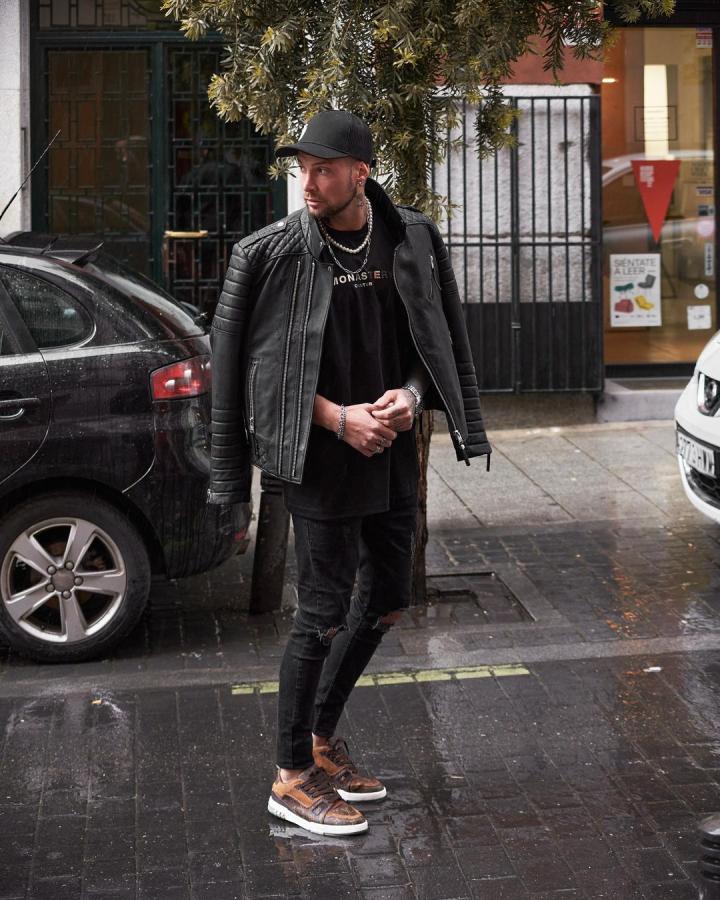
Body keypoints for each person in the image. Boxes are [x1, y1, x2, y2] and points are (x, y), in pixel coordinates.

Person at [208, 110, 491, 836]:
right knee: (320, 615)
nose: (307, 182)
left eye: (323, 169)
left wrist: (413, 397)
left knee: (388, 599)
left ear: (361, 172)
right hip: (318, 459)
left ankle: (319, 739)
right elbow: (253, 376)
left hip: (390, 449)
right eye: (301, 168)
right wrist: (339, 419)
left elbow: (436, 339)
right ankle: (289, 777)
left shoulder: (411, 238)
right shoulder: (269, 254)